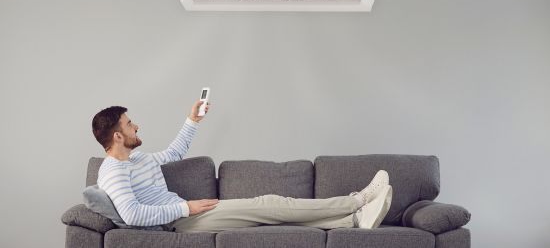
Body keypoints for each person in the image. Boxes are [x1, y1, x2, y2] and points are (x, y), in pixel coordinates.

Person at [91, 100, 393, 233]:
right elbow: (131, 214)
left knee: (268, 216)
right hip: (180, 223)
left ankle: (352, 222)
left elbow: (174, 152)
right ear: (118, 135)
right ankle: (357, 200)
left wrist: (192, 120)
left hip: (186, 215)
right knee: (271, 204)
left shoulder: (138, 159)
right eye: (130, 125)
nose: (136, 126)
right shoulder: (114, 171)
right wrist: (186, 209)